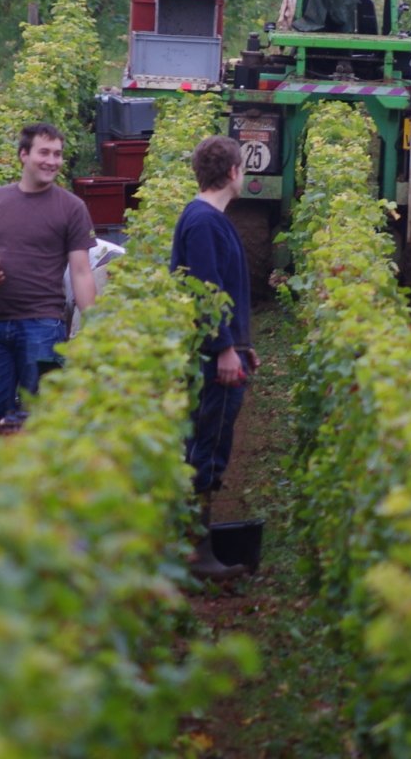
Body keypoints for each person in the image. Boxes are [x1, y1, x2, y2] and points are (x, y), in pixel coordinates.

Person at [0, 123, 97, 434]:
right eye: (44, 152)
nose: (52, 161)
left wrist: (94, 325)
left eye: (58, 154)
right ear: (23, 155)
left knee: (37, 416)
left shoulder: (72, 208)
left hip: (42, 325)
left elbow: (81, 272)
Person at [170, 135, 257, 581]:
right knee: (207, 444)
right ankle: (195, 551)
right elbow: (204, 292)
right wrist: (224, 348)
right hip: (213, 357)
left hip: (224, 350)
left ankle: (193, 545)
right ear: (232, 172)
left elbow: (224, 291)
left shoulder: (208, 218)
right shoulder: (204, 222)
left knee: (209, 441)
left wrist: (241, 345)